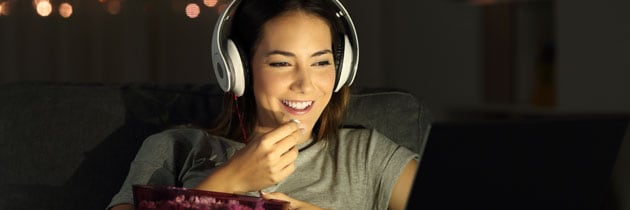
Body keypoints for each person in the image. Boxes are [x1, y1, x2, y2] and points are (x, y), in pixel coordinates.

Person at [108, 0, 417, 209]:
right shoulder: (174, 149)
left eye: (321, 62)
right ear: (238, 69)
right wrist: (229, 181)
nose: (305, 84)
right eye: (282, 63)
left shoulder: (367, 157)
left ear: (342, 68)